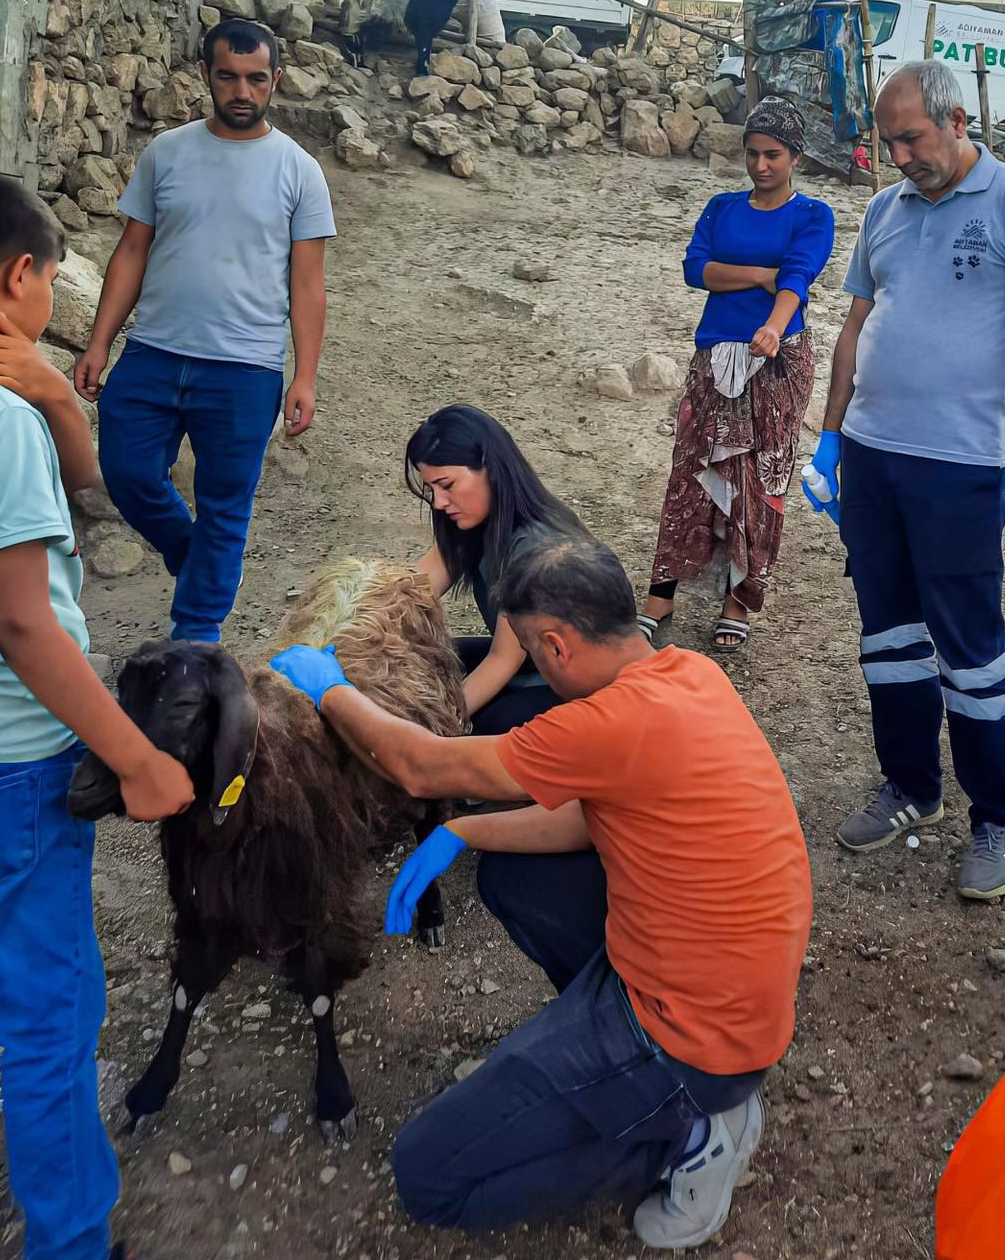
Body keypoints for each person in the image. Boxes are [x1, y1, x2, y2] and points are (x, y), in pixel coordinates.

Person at [269, 536, 812, 1249]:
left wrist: (328, 688)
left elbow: (422, 767)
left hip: (691, 1040)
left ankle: (686, 1135)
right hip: (734, 1002)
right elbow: (595, 821)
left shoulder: (600, 724)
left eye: (528, 649)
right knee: (513, 875)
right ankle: (638, 1081)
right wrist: (463, 837)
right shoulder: (690, 674)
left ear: (555, 647)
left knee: (426, 1175)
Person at [804, 60, 1005, 900]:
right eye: (888, 142)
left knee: (970, 649)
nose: (898, 156)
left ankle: (1001, 818)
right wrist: (830, 439)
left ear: (958, 122)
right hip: (874, 463)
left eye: (912, 138)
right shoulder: (884, 210)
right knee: (888, 637)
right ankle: (912, 787)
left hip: (959, 466)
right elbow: (855, 326)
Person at [0, 179, 194, 1260]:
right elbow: (25, 627)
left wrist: (60, 401)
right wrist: (138, 760)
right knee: (47, 1020)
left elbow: (77, 478)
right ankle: (70, 1240)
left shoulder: (16, 414)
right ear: (18, 278)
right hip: (13, 768)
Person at [74, 18, 336, 643]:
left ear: (275, 80)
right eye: (228, 76)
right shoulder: (167, 152)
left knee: (226, 506)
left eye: (255, 78)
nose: (241, 91)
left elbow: (308, 284)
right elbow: (132, 249)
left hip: (245, 370)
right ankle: (194, 560)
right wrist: (98, 341)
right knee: (129, 473)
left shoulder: (299, 171)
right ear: (206, 76)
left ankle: (196, 637)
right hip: (153, 353)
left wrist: (304, 375)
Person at [639, 97, 834, 650]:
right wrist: (759, 274)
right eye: (752, 154)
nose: (761, 166)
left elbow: (798, 276)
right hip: (715, 352)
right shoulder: (722, 207)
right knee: (691, 466)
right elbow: (695, 269)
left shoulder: (813, 216)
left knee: (760, 479)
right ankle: (661, 593)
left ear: (795, 156)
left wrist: (773, 325)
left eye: (773, 155)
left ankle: (738, 599)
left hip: (778, 359)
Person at [407, 403, 587, 731]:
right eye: (431, 488)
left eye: (447, 485)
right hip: (527, 663)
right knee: (421, 662)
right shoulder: (474, 519)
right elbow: (412, 591)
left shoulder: (536, 546)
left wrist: (434, 727)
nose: (438, 502)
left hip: (569, 682)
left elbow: (504, 658)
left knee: (483, 729)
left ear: (490, 467)